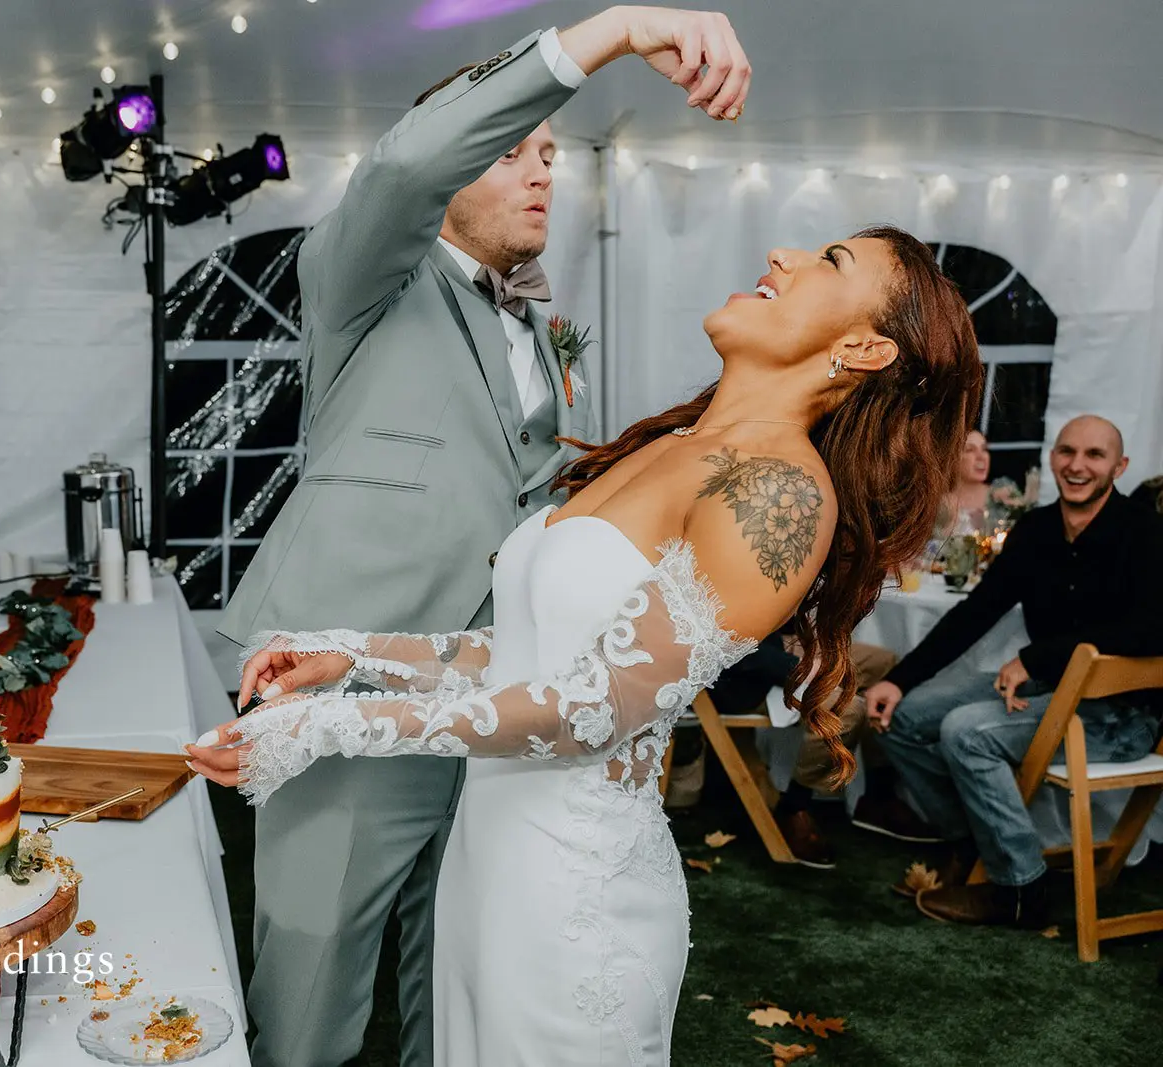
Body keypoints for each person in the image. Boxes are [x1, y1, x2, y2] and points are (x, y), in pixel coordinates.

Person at [192, 191, 982, 1061]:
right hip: (488, 870)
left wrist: (333, 727)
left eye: (831, 260)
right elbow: (526, 654)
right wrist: (349, 656)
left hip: (574, 907)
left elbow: (591, 707)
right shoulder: (667, 448)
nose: (785, 256)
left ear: (866, 348)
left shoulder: (779, 492)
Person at [210, 10, 638, 1065]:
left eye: (549, 156)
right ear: (451, 157)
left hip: (479, 694)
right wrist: (616, 28)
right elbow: (401, 167)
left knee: (448, 972)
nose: (542, 172)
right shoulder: (362, 276)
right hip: (339, 687)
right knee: (314, 985)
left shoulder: (535, 321)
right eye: (510, 149)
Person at [861, 415, 1163, 927]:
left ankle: (1020, 889)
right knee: (903, 716)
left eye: (1094, 455)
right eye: (1067, 452)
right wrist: (898, 679)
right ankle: (973, 844)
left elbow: (1150, 630)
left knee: (966, 733)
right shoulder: (1037, 529)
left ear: (1120, 465)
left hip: (1121, 712)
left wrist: (1037, 657)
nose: (1077, 465)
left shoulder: (1145, 533)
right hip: (1050, 690)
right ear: (1052, 458)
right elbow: (976, 612)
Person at [707, 629, 898, 868]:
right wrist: (794, 666)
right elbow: (711, 634)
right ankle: (795, 805)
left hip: (770, 640)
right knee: (844, 711)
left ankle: (878, 794)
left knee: (886, 666)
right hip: (736, 673)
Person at [937, 428, 991, 536]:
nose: (981, 457)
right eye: (970, 450)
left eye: (984, 449)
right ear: (952, 458)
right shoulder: (942, 503)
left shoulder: (1002, 498)